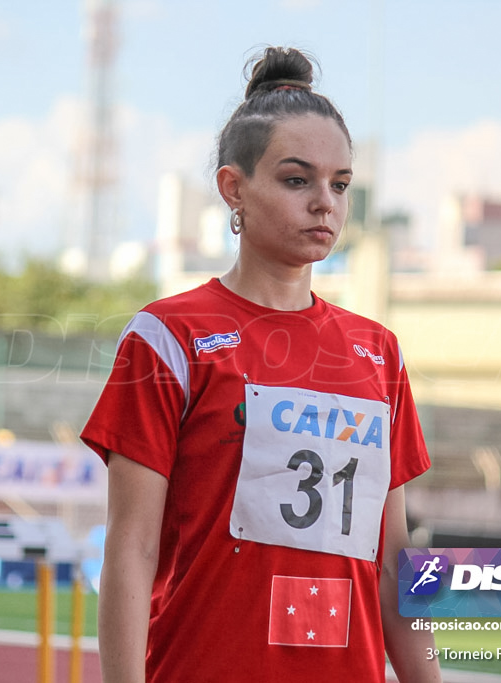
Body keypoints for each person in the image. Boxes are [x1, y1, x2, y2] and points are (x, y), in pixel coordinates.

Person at [80, 46, 442, 683]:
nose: (324, 202)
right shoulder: (169, 336)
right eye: (297, 179)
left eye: (341, 184)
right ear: (233, 188)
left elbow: (394, 562)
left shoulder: (378, 353)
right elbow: (131, 545)